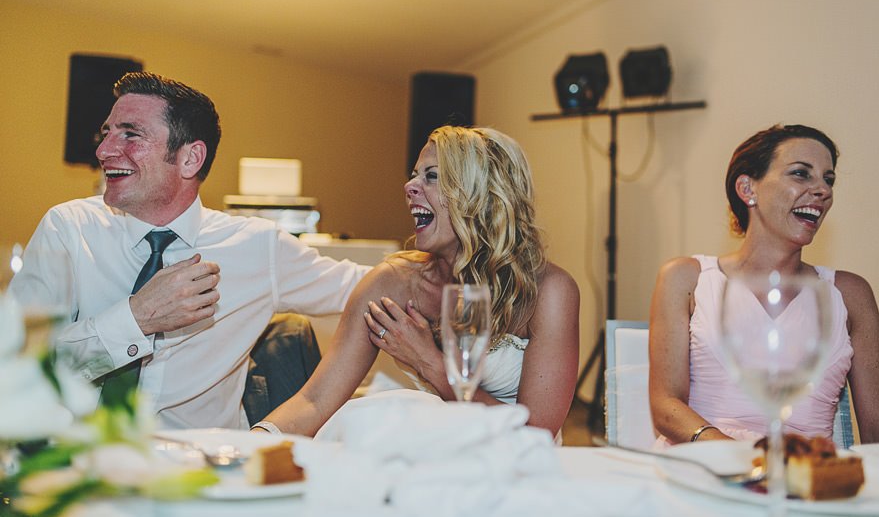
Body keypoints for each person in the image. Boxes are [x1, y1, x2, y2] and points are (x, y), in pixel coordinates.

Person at [10, 72, 369, 430]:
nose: (103, 150)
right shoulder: (69, 229)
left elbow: (370, 287)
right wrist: (136, 319)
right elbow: (14, 367)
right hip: (77, 468)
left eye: (130, 134)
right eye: (107, 133)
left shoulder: (258, 246)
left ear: (190, 159)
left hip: (203, 474)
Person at [257, 126, 580, 438]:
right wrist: (251, 443)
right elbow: (313, 402)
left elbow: (535, 434)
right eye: (414, 174)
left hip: (511, 465)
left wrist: (430, 363)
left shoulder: (549, 291)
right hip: (420, 450)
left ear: (481, 194)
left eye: (432, 176)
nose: (410, 186)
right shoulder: (392, 282)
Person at [649, 124, 879, 445]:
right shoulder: (686, 278)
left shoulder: (851, 294)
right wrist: (739, 458)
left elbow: (875, 432)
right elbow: (665, 404)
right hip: (703, 466)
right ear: (748, 189)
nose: (822, 190)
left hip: (806, 479)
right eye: (801, 174)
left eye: (828, 179)